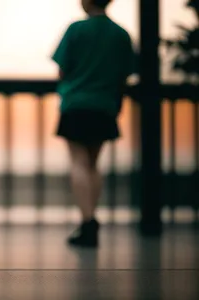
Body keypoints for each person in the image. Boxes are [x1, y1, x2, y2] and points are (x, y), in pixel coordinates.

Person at [51, 0, 134, 247]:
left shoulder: (75, 30)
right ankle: (90, 219)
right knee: (93, 164)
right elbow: (125, 73)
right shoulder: (121, 34)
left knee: (78, 162)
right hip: (105, 105)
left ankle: (88, 221)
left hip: (76, 103)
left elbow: (63, 69)